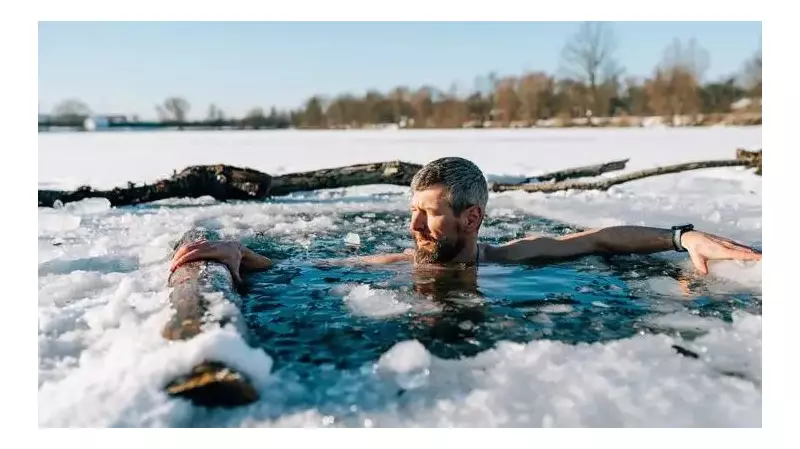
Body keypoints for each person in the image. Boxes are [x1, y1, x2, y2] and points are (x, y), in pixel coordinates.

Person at [169, 157, 762, 284]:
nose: (413, 230)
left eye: (428, 217)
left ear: (471, 217)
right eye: (412, 215)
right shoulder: (399, 262)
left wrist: (681, 235)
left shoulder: (511, 257)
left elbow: (600, 238)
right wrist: (242, 254)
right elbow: (311, 267)